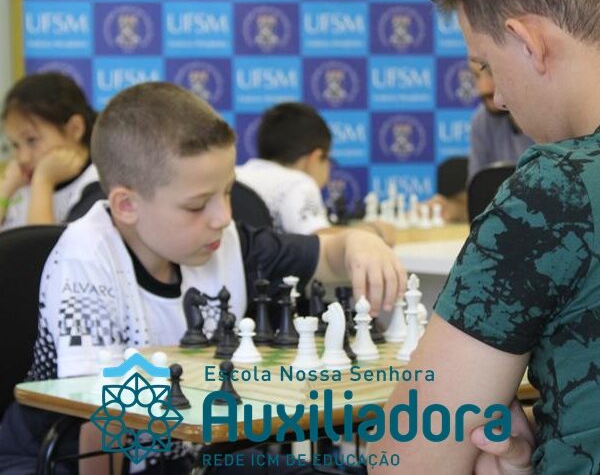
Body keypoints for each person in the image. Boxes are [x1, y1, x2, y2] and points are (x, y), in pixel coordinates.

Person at [0, 82, 406, 474]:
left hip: (186, 454)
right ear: (126, 205)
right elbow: (96, 426)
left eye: (227, 192)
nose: (223, 216)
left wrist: (356, 242)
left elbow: (327, 257)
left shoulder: (221, 240)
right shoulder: (85, 260)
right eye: (197, 206)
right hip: (62, 458)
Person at [369, 0, 600, 472]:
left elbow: (405, 461)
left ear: (528, 42)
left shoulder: (557, 188)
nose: (497, 98)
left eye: (487, 64)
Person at [236, 102, 396, 245]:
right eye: (329, 160)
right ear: (316, 157)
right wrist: (372, 230)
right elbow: (319, 239)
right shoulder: (299, 183)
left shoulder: (237, 175)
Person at [0, 73, 104, 229]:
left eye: (32, 140)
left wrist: (43, 182)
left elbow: (39, 243)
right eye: (15, 145)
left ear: (75, 129)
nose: (22, 158)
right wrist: (4, 191)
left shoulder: (99, 187)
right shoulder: (18, 183)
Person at [430, 64, 533, 222]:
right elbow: (479, 203)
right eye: (476, 76)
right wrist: (454, 209)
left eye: (491, 72)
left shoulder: (557, 121)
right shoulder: (482, 119)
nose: (483, 88)